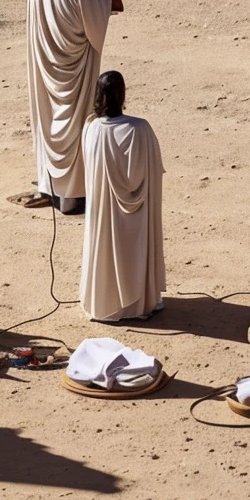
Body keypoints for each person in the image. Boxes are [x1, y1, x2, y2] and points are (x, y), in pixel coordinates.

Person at [26, 0, 138, 215]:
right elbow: (92, 17)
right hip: (75, 72)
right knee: (76, 125)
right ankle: (72, 196)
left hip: (48, 68)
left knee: (49, 121)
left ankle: (49, 187)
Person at [80, 71, 165, 322]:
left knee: (104, 246)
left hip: (102, 210)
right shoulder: (140, 128)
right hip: (137, 215)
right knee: (134, 251)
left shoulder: (91, 128)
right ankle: (137, 303)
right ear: (122, 94)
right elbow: (152, 171)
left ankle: (104, 301)